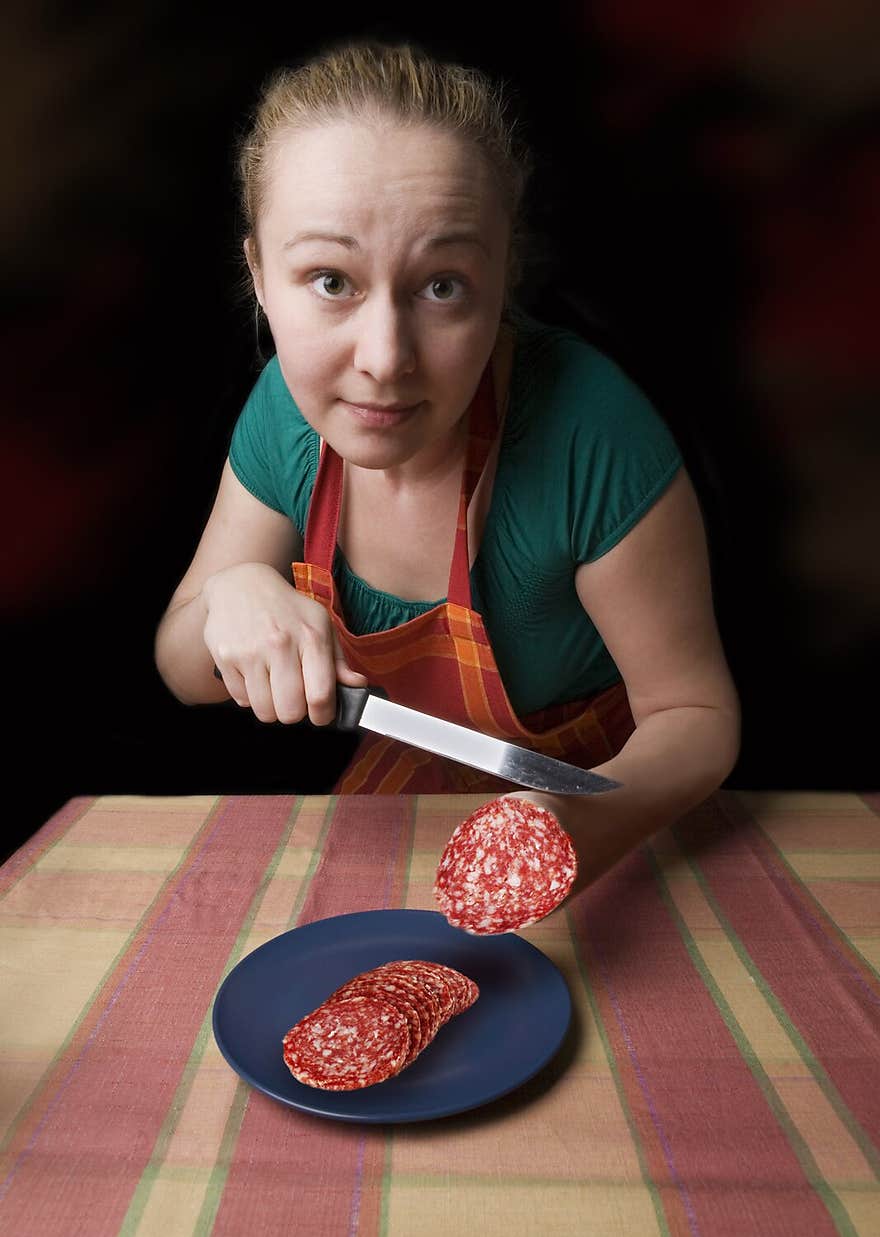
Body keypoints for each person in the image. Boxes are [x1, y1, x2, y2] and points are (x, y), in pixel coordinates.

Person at [154, 37, 740, 899]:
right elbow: (181, 666)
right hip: (412, 779)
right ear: (259, 277)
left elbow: (695, 718)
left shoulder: (590, 428)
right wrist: (231, 594)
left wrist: (571, 829)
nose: (385, 359)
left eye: (442, 287)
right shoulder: (282, 411)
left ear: (501, 278)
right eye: (329, 280)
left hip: (614, 796)